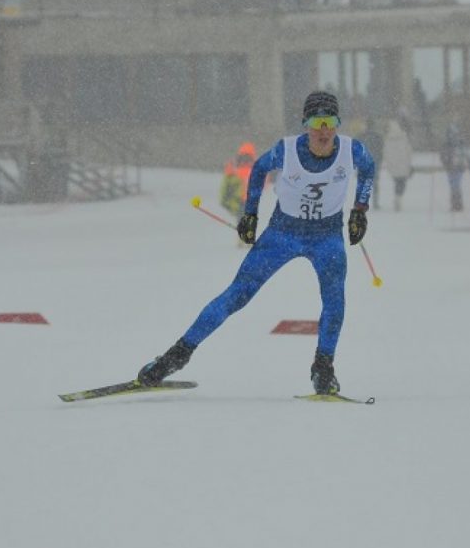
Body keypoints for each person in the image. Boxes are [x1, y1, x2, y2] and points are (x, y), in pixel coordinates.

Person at [137, 91, 375, 395]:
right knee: (237, 295)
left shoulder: (353, 151)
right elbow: (259, 169)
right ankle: (175, 357)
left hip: (326, 236)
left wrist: (359, 211)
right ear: (306, 125)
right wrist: (250, 213)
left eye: (330, 121)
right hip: (283, 234)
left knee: (334, 301)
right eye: (317, 122)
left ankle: (323, 368)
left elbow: (368, 168)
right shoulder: (286, 150)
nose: (324, 130)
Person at [439, 121, 470, 212]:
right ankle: (457, 204)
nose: (452, 136)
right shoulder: (450, 143)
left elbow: (467, 155)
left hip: (456, 167)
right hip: (453, 168)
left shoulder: (457, 143)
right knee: (454, 185)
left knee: (455, 185)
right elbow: (442, 155)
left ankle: (457, 204)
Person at [382, 117, 414, 211]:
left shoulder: (388, 139)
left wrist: (388, 163)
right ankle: (398, 197)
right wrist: (409, 162)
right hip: (403, 164)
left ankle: (397, 198)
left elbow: (386, 152)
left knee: (397, 182)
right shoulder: (404, 137)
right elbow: (409, 151)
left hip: (393, 165)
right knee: (402, 182)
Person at [219, 142, 256, 219]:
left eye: (248, 157)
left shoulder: (254, 169)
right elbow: (226, 185)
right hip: (237, 200)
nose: (245, 160)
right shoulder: (233, 168)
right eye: (244, 157)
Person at [359, 116, 384, 209]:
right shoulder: (378, 136)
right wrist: (380, 160)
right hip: (375, 162)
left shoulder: (361, 136)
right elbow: (381, 150)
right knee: (375, 183)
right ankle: (375, 202)